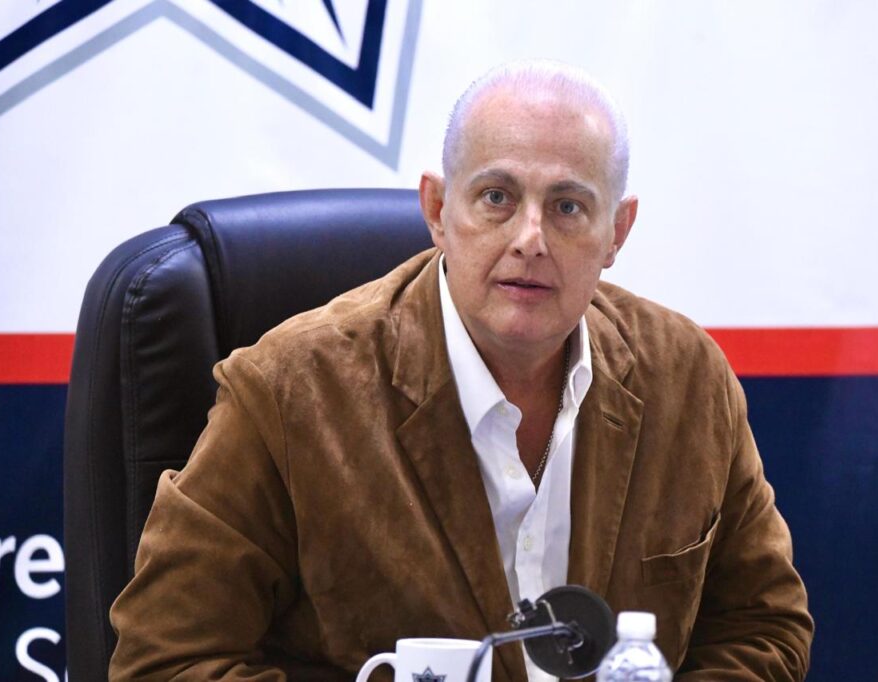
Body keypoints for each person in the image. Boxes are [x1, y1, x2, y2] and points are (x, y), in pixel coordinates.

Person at [110, 61, 813, 681]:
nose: (530, 239)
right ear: (439, 210)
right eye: (497, 197)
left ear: (616, 233)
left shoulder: (687, 379)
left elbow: (763, 628)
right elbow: (166, 658)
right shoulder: (290, 390)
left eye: (568, 207)